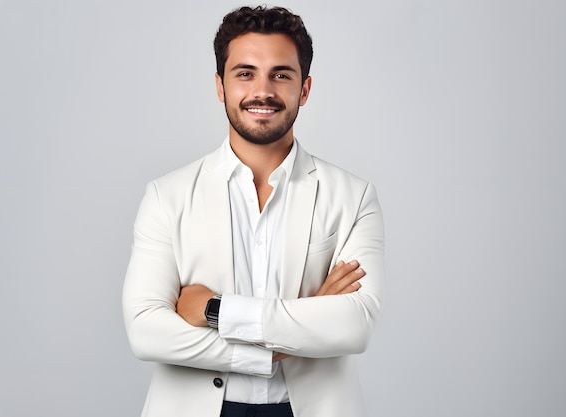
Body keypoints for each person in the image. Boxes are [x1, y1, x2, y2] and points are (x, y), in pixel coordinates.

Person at [122, 5, 385, 417]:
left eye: (281, 74)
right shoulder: (166, 196)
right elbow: (146, 332)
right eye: (245, 73)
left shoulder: (353, 196)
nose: (263, 90)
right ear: (220, 86)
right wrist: (281, 344)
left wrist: (216, 310)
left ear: (305, 89)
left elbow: (354, 326)